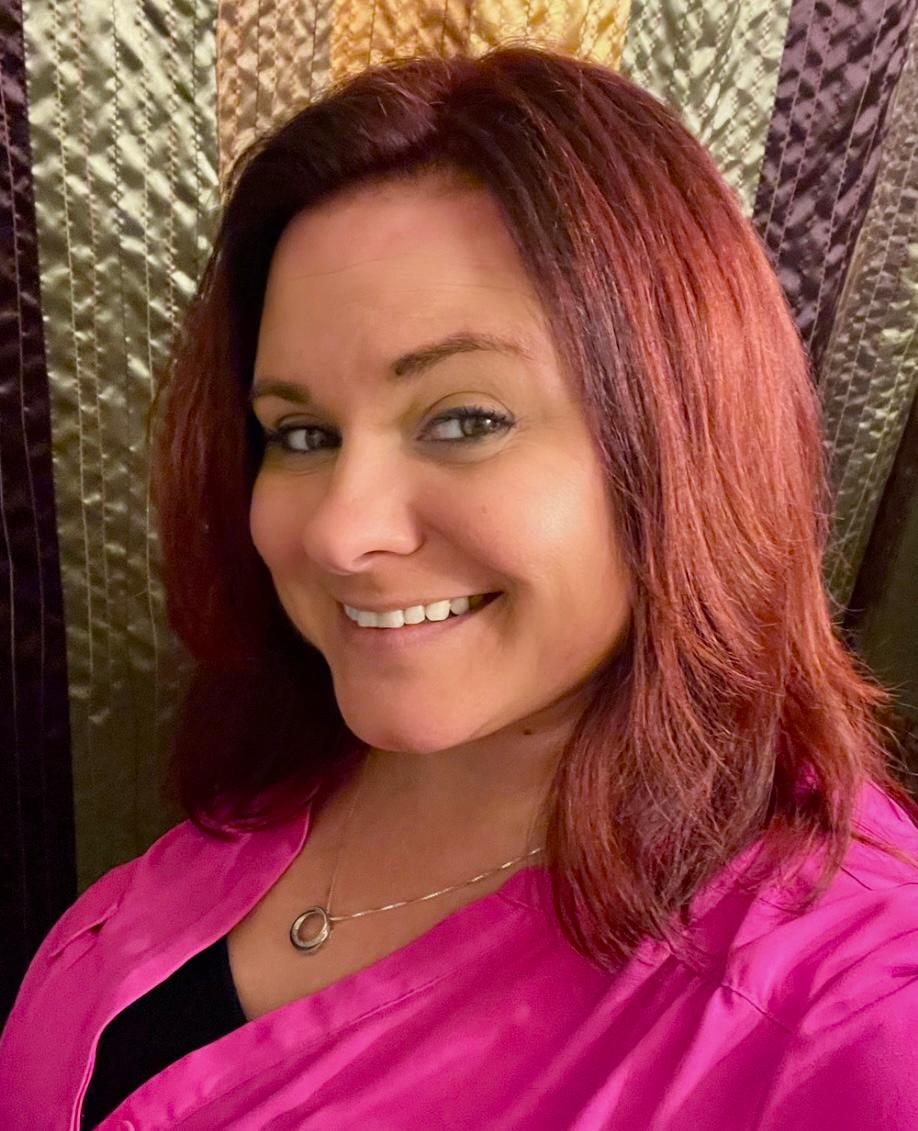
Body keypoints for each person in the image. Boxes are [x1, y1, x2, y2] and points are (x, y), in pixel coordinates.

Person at [2, 43, 917, 1130]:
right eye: (302, 433)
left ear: (689, 443)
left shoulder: (853, 1016)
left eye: (464, 420)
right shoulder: (301, 750)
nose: (340, 533)